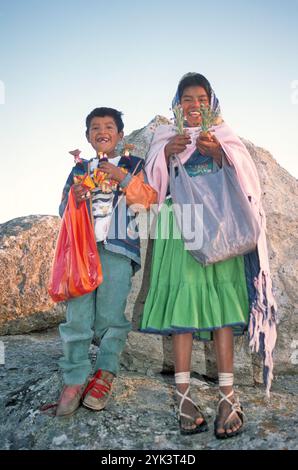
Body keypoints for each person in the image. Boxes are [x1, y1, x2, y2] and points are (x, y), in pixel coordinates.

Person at [141, 73, 277, 438]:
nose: (194, 104)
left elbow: (247, 179)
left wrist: (221, 154)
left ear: (212, 102)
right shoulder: (164, 137)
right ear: (177, 103)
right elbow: (150, 192)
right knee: (183, 307)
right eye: (187, 98)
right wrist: (166, 156)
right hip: (180, 226)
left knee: (221, 309)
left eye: (201, 97)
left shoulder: (224, 134)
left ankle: (227, 395)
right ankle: (184, 395)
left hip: (221, 228)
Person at [56, 107, 157, 416]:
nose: (102, 131)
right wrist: (75, 198)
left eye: (109, 126)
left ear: (120, 135)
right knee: (78, 315)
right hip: (82, 252)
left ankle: (105, 373)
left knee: (112, 317)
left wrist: (122, 177)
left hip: (118, 250)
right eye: (95, 127)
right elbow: (63, 210)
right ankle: (74, 377)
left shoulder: (133, 164)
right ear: (88, 137)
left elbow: (148, 200)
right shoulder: (79, 169)